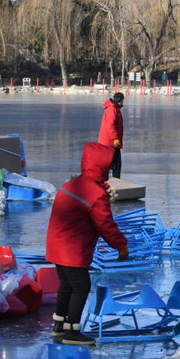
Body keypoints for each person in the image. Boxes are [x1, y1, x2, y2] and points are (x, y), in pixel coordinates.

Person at [46, 142, 129, 346]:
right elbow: (105, 225)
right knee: (81, 286)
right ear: (102, 167)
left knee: (67, 285)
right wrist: (121, 245)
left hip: (56, 245)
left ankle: (60, 326)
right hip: (71, 249)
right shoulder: (95, 193)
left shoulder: (71, 184)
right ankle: (73, 331)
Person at [97, 92, 124, 179]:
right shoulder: (112, 109)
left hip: (111, 142)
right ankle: (114, 184)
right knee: (115, 164)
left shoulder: (115, 109)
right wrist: (115, 138)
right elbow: (110, 125)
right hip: (109, 143)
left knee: (114, 164)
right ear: (120, 101)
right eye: (123, 101)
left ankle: (110, 182)